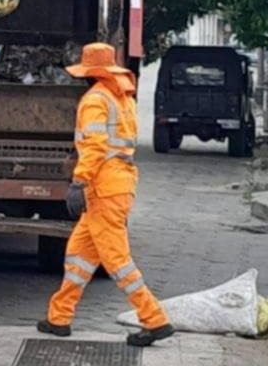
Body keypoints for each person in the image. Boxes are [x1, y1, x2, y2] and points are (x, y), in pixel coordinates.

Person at [37, 43, 174, 347]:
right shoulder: (120, 97)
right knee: (78, 254)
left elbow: (96, 146)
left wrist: (79, 181)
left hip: (102, 186)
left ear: (89, 73)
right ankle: (58, 318)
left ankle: (154, 319)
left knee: (116, 260)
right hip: (117, 183)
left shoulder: (94, 100)